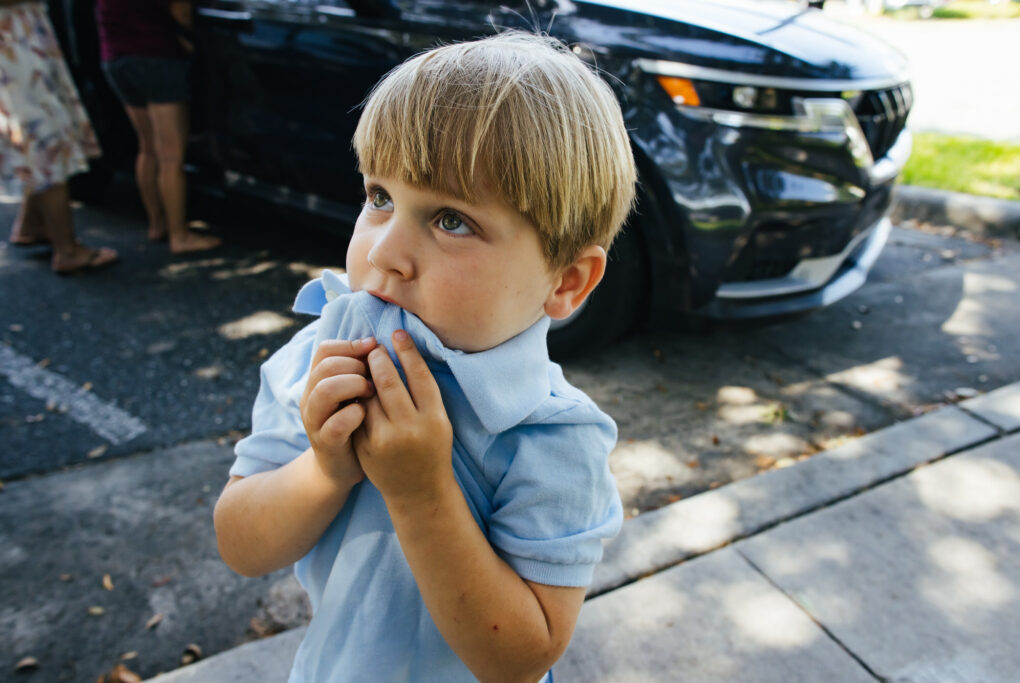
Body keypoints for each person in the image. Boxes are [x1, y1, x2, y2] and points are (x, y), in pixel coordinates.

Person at [214, 32, 636, 682]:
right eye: (380, 198)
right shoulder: (324, 354)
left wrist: (422, 490)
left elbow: (521, 656)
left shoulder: (549, 438)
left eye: (450, 220)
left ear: (566, 281)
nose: (383, 252)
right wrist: (325, 468)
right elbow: (240, 543)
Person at [1, 0, 118, 274]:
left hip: (23, 39)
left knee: (41, 136)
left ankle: (30, 225)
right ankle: (67, 250)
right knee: (45, 139)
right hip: (15, 49)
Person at [95, 0, 220, 253]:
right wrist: (188, 39)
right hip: (156, 54)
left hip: (115, 56)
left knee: (147, 147)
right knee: (171, 156)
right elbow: (180, 8)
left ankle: (157, 224)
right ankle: (179, 235)